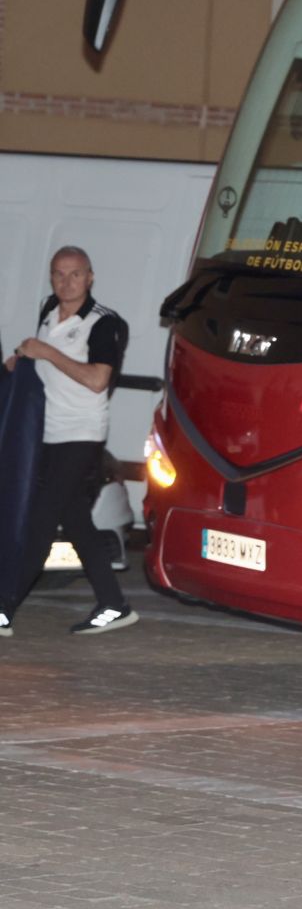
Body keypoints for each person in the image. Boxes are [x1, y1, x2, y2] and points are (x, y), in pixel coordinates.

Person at [1, 247, 132, 637]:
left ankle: (4, 606)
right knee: (76, 520)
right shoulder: (47, 310)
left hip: (81, 435)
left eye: (75, 274)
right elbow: (42, 364)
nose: (66, 282)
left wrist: (47, 352)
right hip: (46, 433)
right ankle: (113, 604)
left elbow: (97, 380)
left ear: (90, 276)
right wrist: (21, 361)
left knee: (40, 519)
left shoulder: (105, 323)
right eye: (58, 274)